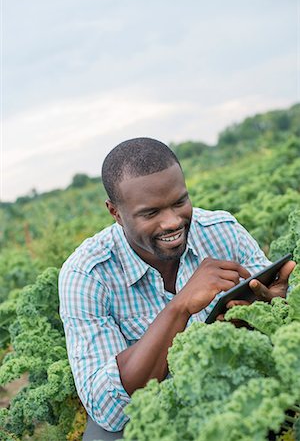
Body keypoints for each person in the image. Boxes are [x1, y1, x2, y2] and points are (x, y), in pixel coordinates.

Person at [58, 137, 295, 440]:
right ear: (115, 212)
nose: (172, 222)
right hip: (152, 404)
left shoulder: (223, 231)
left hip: (227, 384)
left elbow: (272, 332)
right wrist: (179, 307)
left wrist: (272, 310)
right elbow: (107, 409)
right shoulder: (87, 274)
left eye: (179, 202)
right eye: (150, 213)